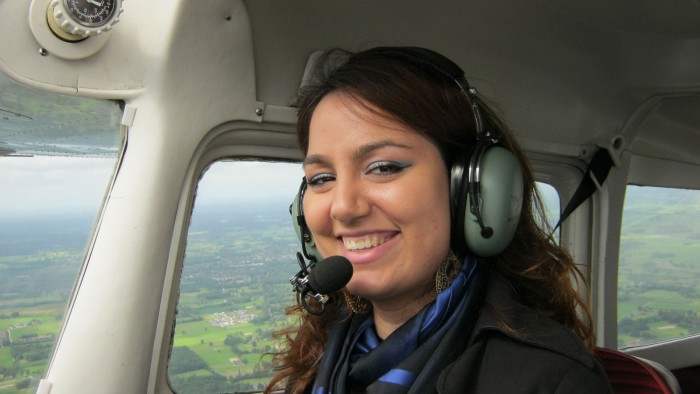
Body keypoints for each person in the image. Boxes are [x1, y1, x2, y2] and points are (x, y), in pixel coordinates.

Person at [265, 47, 613, 393]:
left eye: (384, 167)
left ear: (472, 191)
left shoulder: (553, 381)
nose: (343, 208)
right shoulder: (318, 359)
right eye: (321, 178)